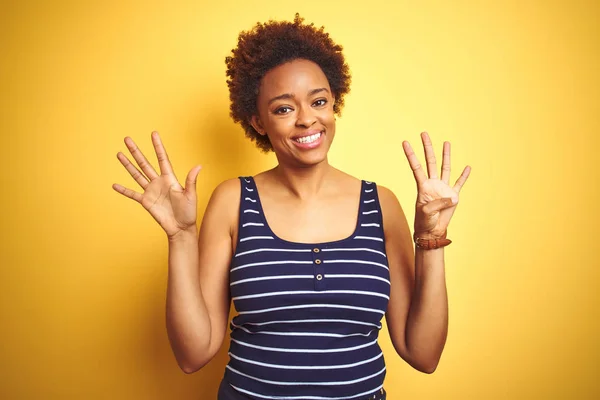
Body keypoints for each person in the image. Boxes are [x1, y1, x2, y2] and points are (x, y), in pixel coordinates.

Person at [112, 14, 471, 400]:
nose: (306, 119)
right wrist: (181, 237)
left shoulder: (381, 204)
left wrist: (432, 239)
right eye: (284, 108)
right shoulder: (233, 200)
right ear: (258, 121)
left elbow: (424, 354)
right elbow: (192, 354)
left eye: (318, 101)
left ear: (334, 103)